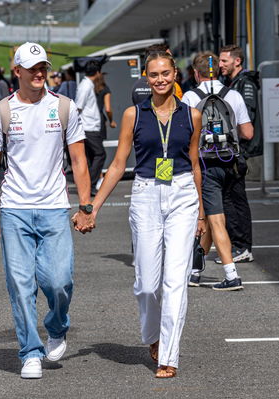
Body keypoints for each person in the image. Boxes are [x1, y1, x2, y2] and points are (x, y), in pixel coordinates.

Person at [0, 42, 93, 379]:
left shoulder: (64, 108)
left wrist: (86, 206)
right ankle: (30, 350)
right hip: (14, 208)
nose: (40, 72)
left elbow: (78, 160)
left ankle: (56, 326)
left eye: (43, 66)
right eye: (32, 68)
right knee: (20, 282)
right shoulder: (1, 111)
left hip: (55, 207)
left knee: (58, 281)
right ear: (17, 71)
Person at [89, 50, 204, 378]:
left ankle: (169, 354)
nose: (160, 79)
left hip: (182, 193)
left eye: (166, 73)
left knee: (175, 280)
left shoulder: (192, 115)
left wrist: (202, 213)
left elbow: (196, 164)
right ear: (146, 78)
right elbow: (117, 164)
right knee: (146, 283)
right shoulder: (133, 115)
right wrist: (93, 206)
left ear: (175, 75)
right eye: (154, 75)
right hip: (145, 194)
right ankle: (152, 336)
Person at [181, 52, 253, 290]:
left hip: (205, 164)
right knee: (214, 216)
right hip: (232, 163)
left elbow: (184, 134)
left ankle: (231, 275)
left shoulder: (190, 97)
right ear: (217, 71)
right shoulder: (234, 95)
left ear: (196, 73)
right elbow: (248, 133)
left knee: (215, 219)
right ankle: (194, 271)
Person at [217, 44, 261, 263]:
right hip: (233, 150)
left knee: (235, 200)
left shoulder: (245, 84)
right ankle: (238, 245)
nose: (220, 65)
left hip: (238, 151)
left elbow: (246, 125)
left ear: (237, 61)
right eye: (219, 60)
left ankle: (242, 246)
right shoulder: (232, 84)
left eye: (224, 61)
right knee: (230, 199)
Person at [76, 60, 104, 195]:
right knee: (100, 154)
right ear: (97, 72)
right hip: (88, 127)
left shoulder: (86, 84)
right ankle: (90, 184)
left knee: (90, 157)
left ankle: (88, 185)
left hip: (89, 126)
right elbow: (78, 106)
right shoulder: (86, 86)